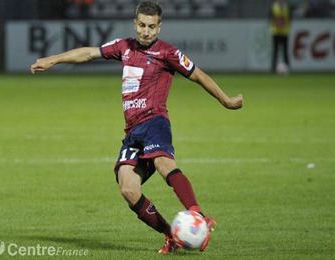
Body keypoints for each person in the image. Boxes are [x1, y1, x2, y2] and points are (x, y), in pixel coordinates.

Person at [30, 1, 243, 254]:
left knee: (164, 164)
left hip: (155, 122)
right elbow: (88, 53)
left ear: (159, 28)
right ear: (135, 24)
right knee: (128, 189)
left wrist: (226, 100)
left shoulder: (167, 53)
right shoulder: (124, 47)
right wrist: (53, 60)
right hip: (132, 133)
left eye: (151, 27)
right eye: (142, 25)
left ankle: (198, 215)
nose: (146, 31)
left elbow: (198, 75)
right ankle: (170, 235)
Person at [269, 0, 291, 73]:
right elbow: (270, 18)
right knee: (275, 51)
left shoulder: (287, 7)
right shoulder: (273, 7)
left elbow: (289, 19)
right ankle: (273, 69)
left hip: (285, 31)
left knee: (285, 51)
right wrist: (277, 23)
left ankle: (287, 68)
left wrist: (283, 24)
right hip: (275, 31)